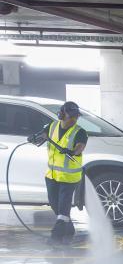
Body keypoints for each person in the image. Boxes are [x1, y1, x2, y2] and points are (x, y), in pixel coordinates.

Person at [26, 101, 88, 244]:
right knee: (55, 205)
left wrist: (72, 151)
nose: (73, 119)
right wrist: (34, 138)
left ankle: (57, 236)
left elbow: (80, 147)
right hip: (52, 175)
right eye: (70, 116)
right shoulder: (52, 126)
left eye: (76, 117)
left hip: (69, 177)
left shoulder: (80, 132)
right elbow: (41, 137)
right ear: (61, 114)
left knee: (63, 205)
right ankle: (69, 228)